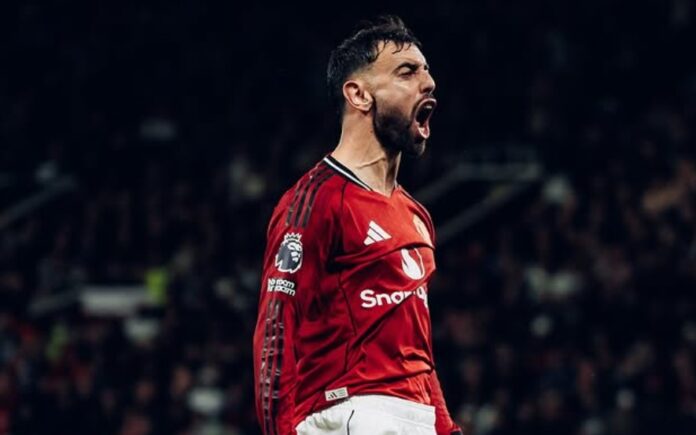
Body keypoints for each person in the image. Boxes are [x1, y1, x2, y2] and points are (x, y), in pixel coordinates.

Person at [253, 15, 462, 435]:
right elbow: (276, 327)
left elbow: (417, 355)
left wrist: (445, 426)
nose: (429, 82)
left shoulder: (416, 216)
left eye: (426, 71)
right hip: (351, 412)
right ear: (359, 94)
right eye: (407, 72)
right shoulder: (317, 201)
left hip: (414, 418)